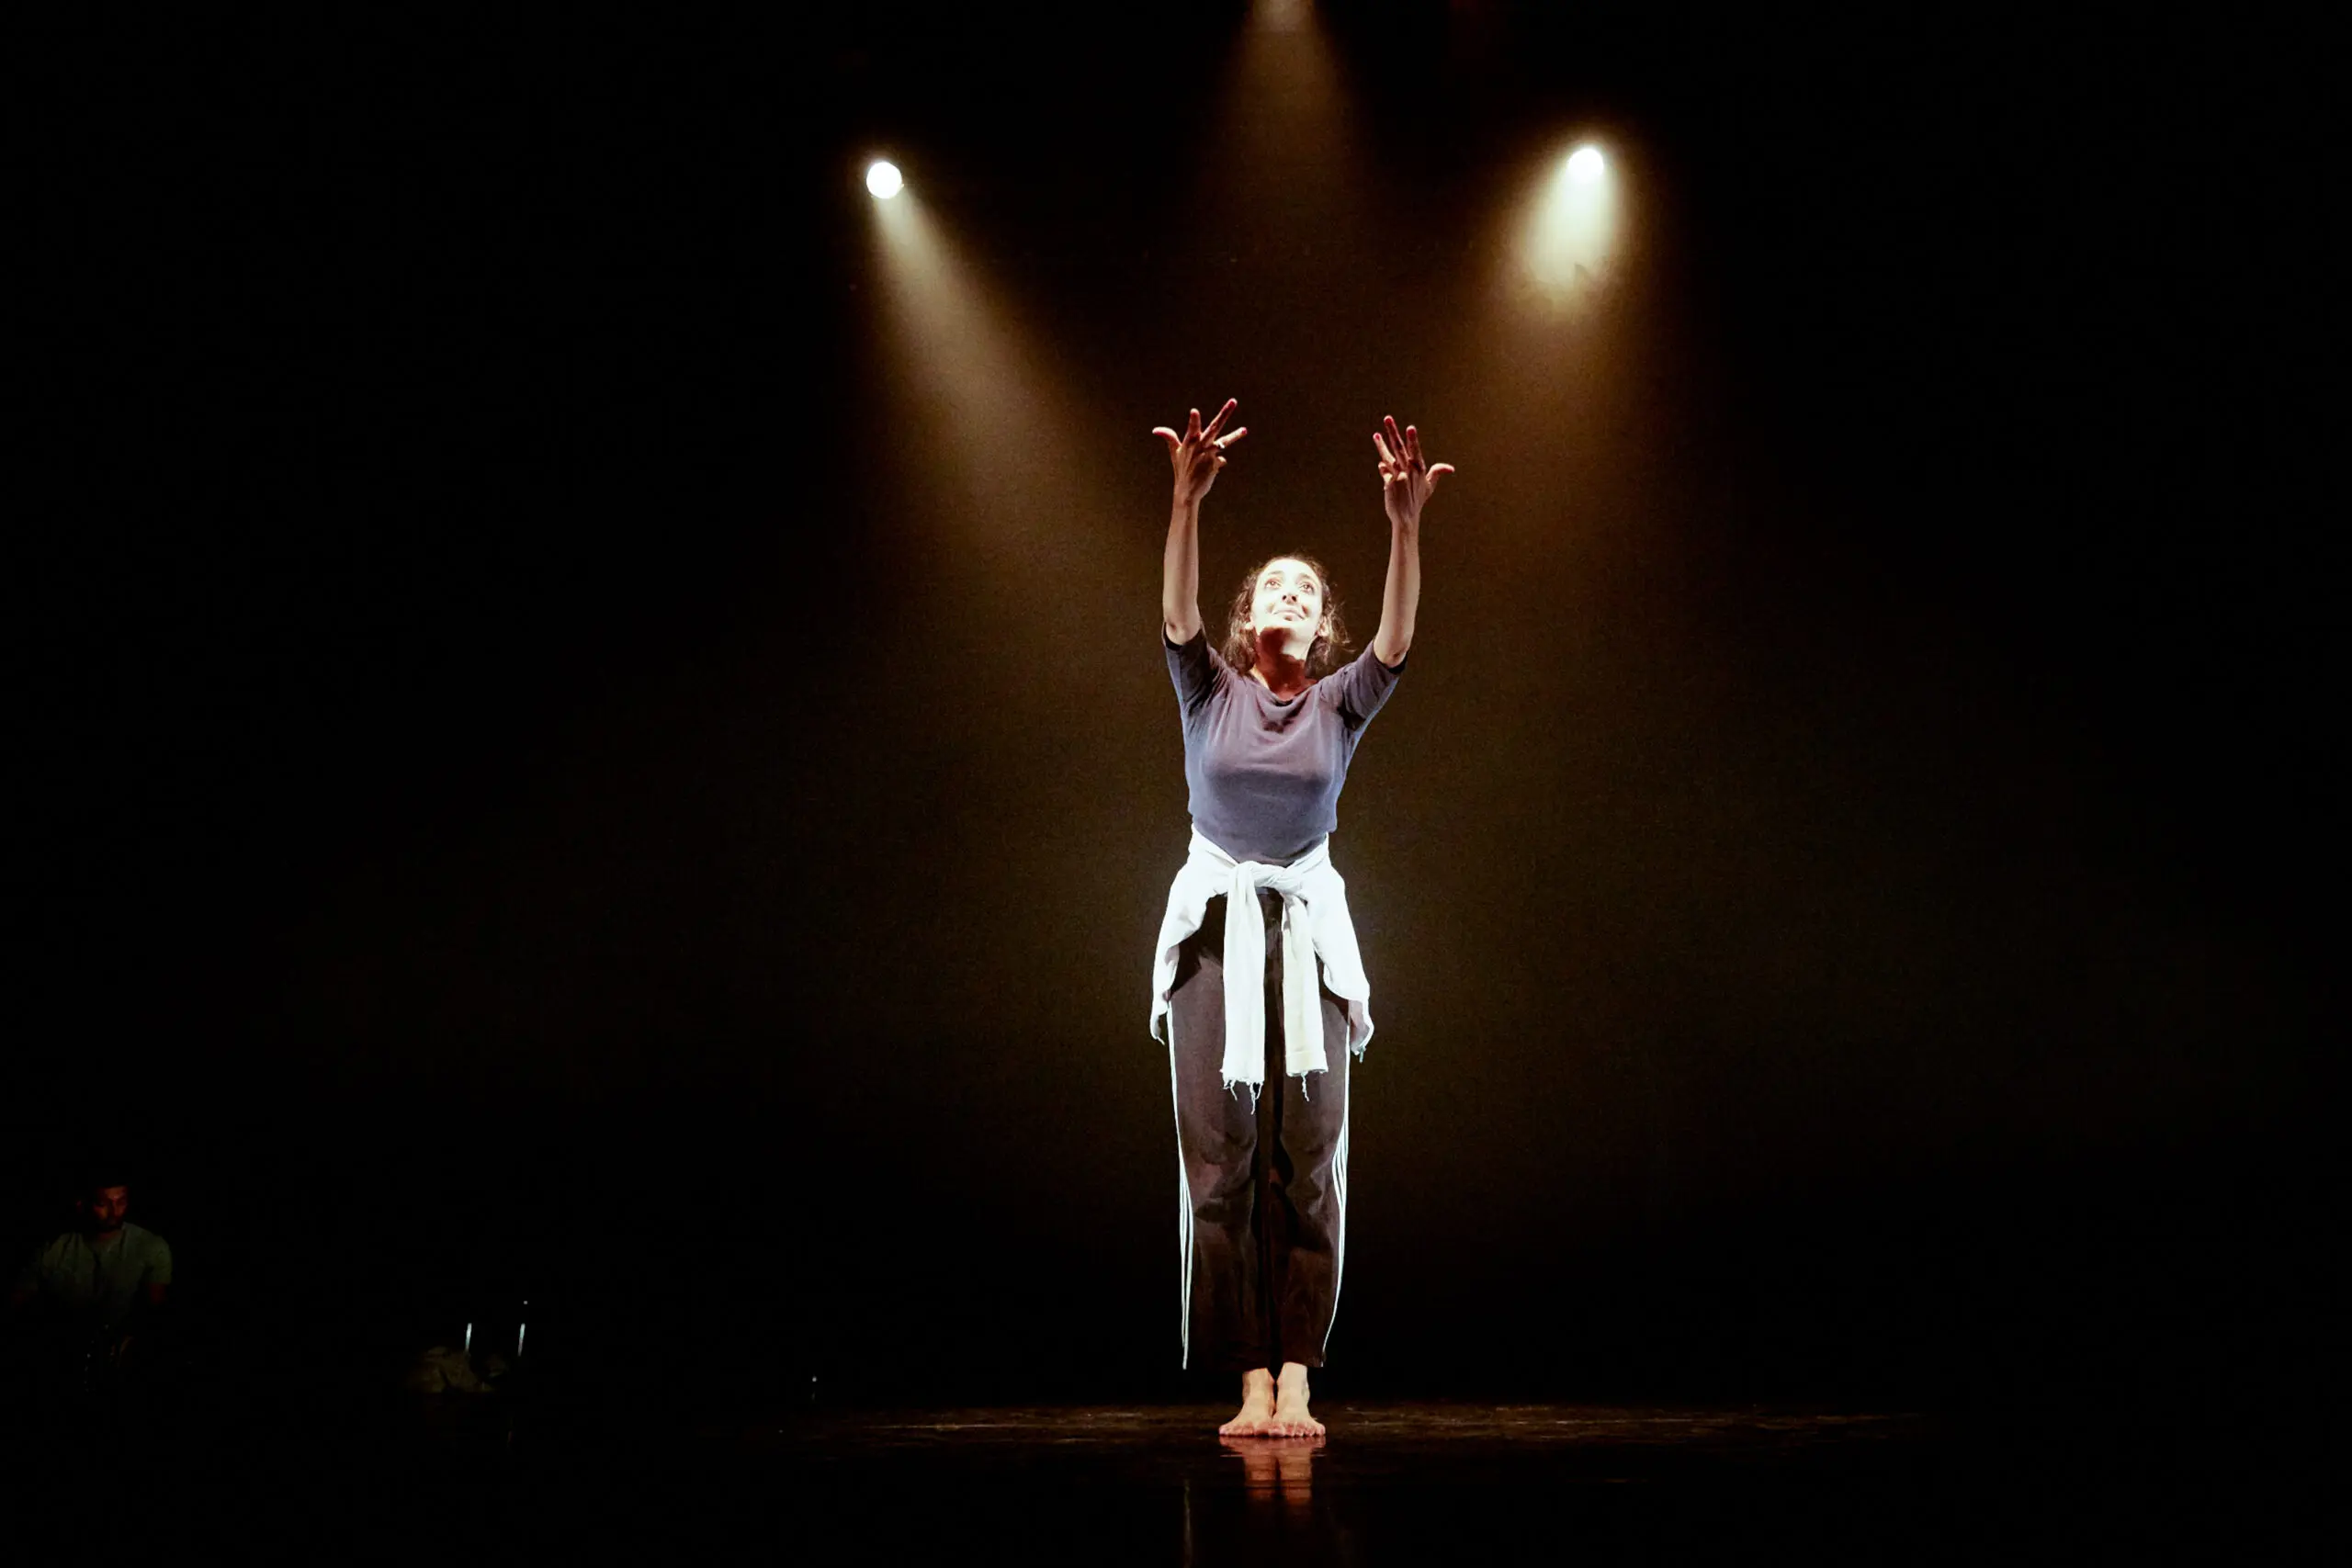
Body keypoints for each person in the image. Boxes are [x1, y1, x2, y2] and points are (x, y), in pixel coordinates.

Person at [1149, 398, 1452, 1438]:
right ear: (1249, 619)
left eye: (1308, 591)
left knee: (1310, 1157)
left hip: (1309, 925)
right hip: (1214, 927)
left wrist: (1404, 529)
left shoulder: (1338, 703)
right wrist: (1186, 503)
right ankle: (1247, 1376)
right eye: (1273, 584)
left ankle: (1298, 1373)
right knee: (1219, 1156)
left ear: (1324, 630)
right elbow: (1176, 611)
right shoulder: (1207, 689)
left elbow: (1398, 641)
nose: (1290, 593)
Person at [6, 1176, 173, 1421]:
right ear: (82, 1205)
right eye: (103, 1203)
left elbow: (157, 1313)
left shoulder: (150, 1247)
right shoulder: (52, 1249)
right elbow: (16, 1304)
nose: (114, 1211)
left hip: (121, 1368)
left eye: (121, 1201)